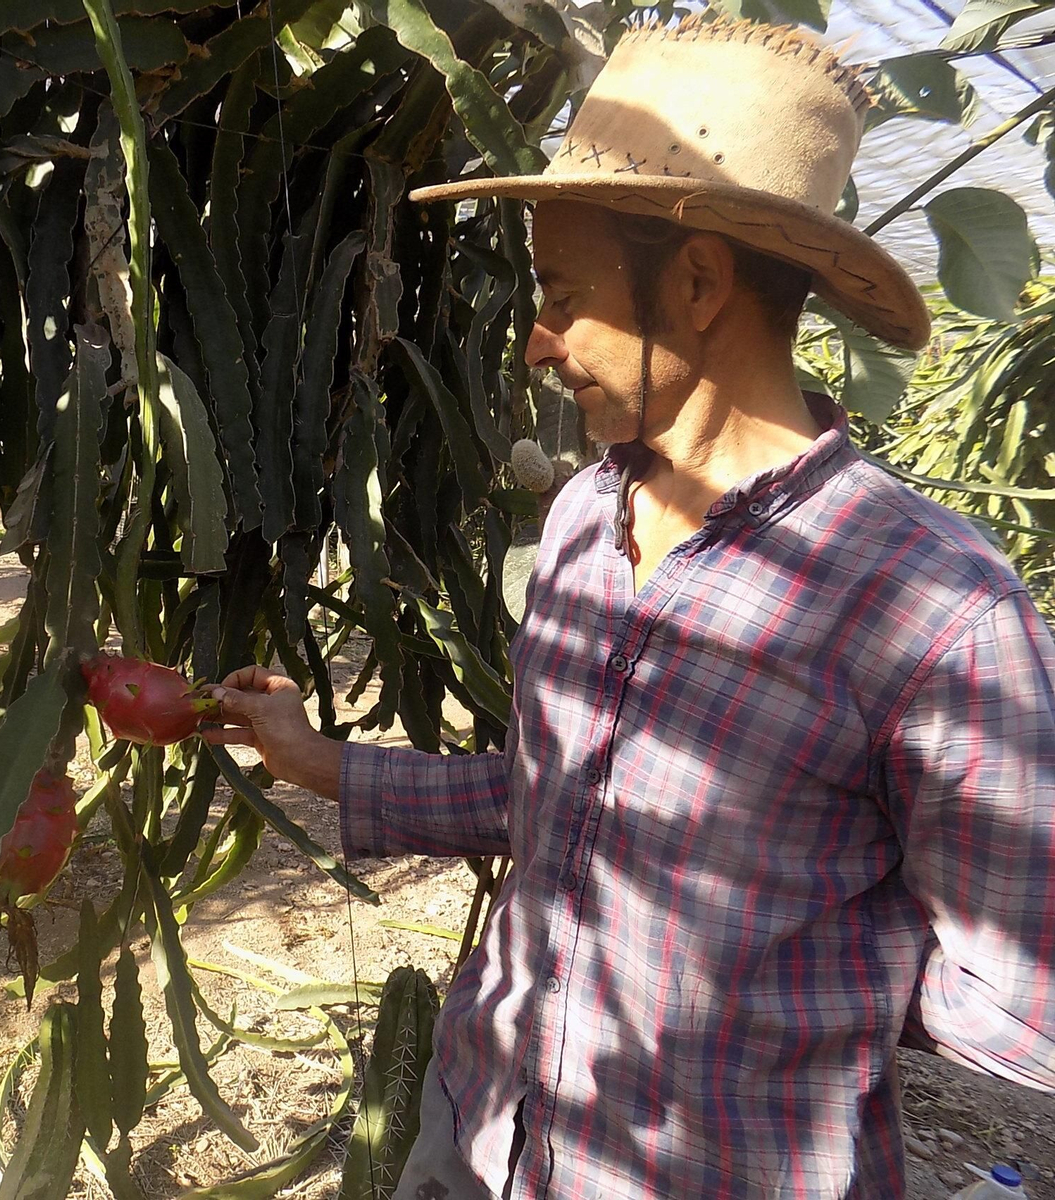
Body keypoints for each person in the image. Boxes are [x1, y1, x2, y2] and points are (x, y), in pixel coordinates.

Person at [203, 16, 1055, 1200]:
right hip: (480, 1124)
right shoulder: (582, 524)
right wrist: (319, 763)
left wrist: (809, 955)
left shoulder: (932, 608)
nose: (536, 343)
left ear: (697, 282)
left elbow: (1022, 998)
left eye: (561, 294)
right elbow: (555, 799)